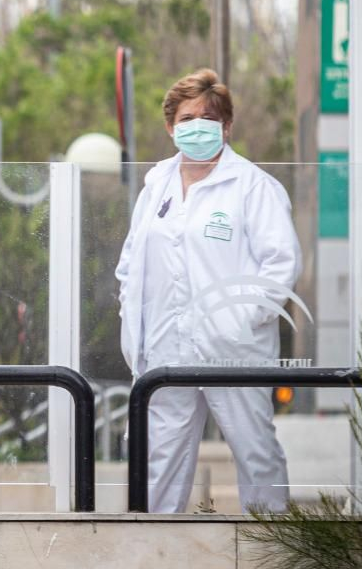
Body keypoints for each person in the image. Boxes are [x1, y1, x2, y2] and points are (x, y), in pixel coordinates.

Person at [115, 68, 302, 513]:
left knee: (255, 451)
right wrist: (134, 324)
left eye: (207, 117)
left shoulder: (254, 187)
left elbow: (281, 264)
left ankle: (273, 546)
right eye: (186, 117)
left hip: (231, 349)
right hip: (165, 349)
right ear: (170, 126)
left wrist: (237, 321)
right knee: (160, 458)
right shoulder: (155, 185)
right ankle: (155, 557)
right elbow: (130, 264)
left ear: (227, 126)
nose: (197, 125)